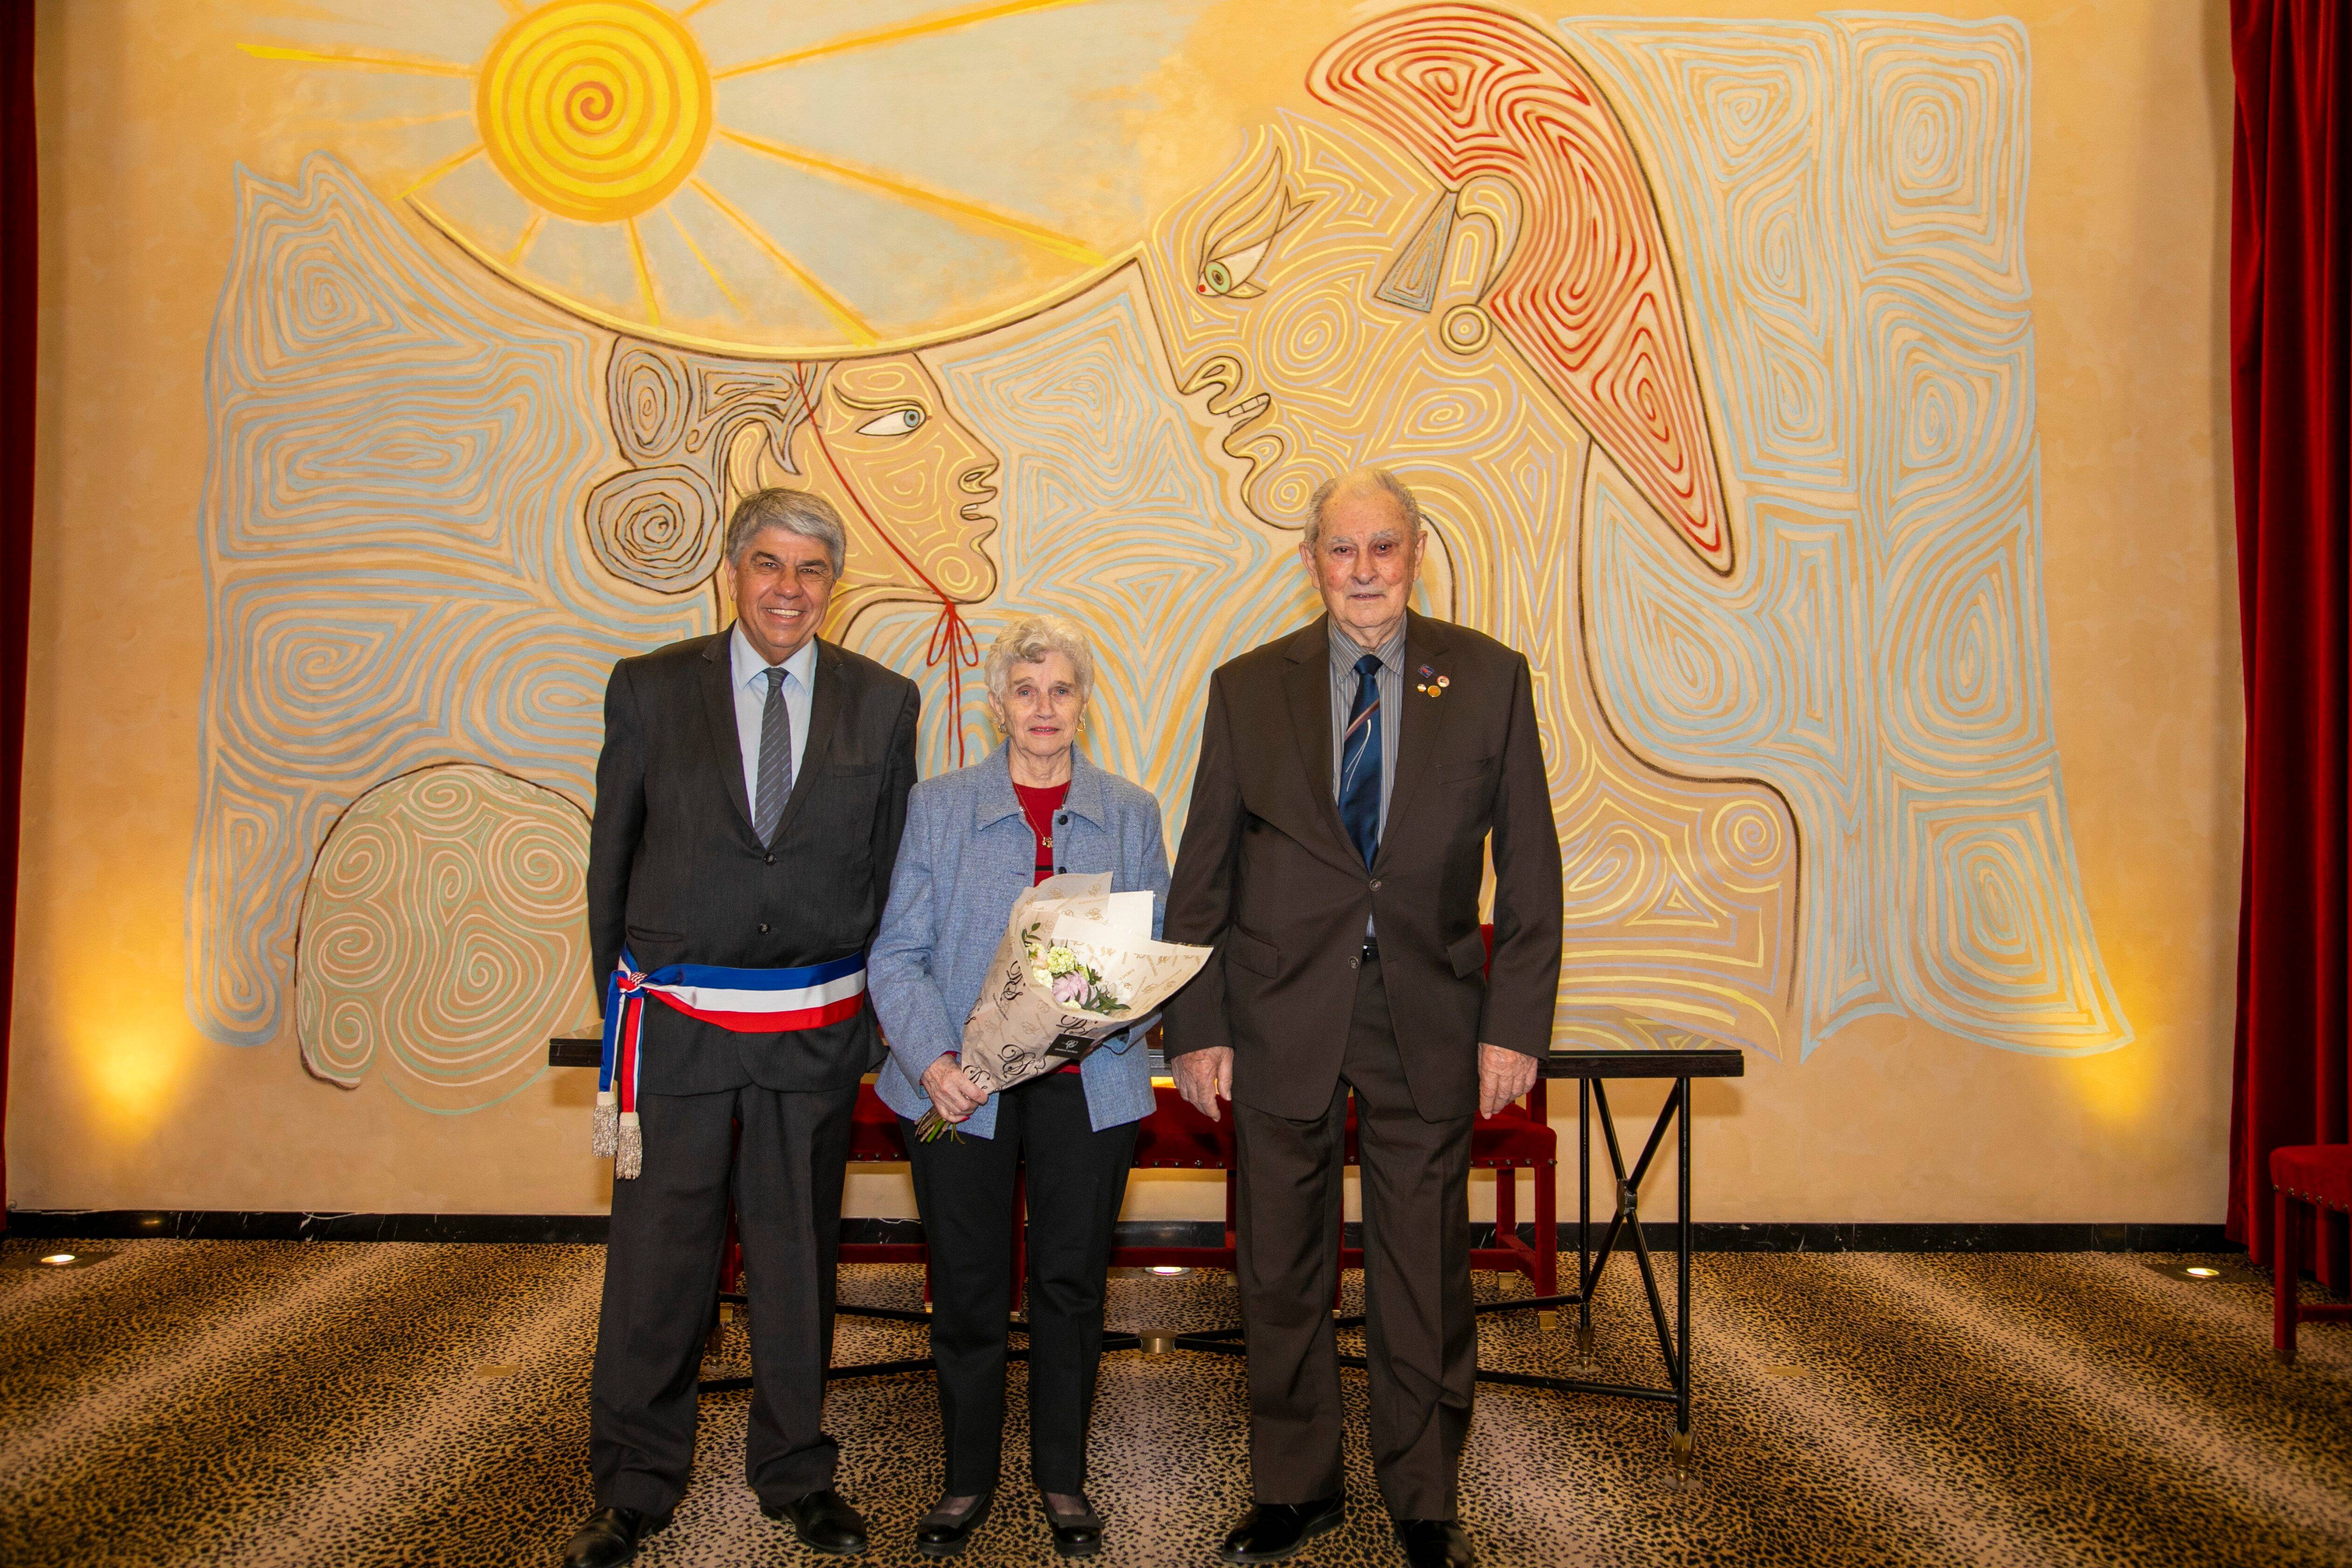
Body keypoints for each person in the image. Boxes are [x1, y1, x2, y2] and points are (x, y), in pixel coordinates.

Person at [1162, 468, 1563, 1568]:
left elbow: (1532, 867)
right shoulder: (1248, 688)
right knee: (1280, 1268)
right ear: (1312, 562)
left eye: (1385, 546)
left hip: (1427, 1015)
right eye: (1343, 549)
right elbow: (1203, 876)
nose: (1365, 570)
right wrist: (1197, 1026)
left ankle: (1424, 1500)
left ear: (1417, 552)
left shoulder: (1489, 679)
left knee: (1423, 1270)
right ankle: (1294, 1491)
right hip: (1277, 1014)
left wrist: (1514, 1027)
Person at [563, 488, 921, 1568]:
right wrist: (622, 1012)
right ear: (733, 570)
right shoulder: (649, 688)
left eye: (811, 570)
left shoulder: (883, 703)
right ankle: (634, 1484)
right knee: (658, 1265)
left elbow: (892, 877)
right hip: (675, 1032)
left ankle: (796, 1472)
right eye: (769, 564)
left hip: (810, 1038)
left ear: (834, 585)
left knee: (797, 1258)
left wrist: (878, 1027)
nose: (788, 589)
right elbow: (611, 863)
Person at [868, 615, 1170, 1559]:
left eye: (1062, 690)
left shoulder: (1132, 810)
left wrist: (1109, 1011)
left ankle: (1062, 1478)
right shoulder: (939, 806)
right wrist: (934, 1064)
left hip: (1091, 1085)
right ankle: (966, 1479)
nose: (1045, 708)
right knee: (967, 1285)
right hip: (962, 1088)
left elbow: (1151, 954)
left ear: (1084, 702)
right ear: (999, 705)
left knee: (1070, 1286)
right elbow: (897, 955)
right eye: (1026, 691)